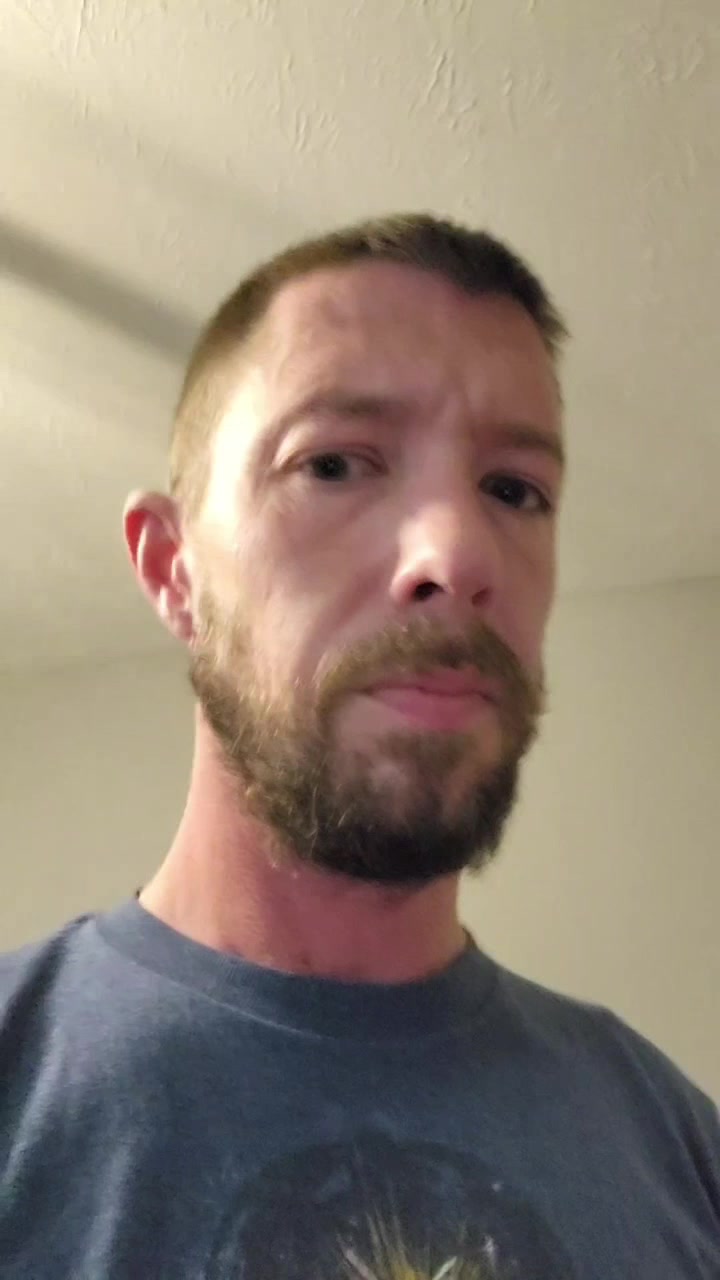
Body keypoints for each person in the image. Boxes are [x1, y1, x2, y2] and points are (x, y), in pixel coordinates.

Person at [0, 214, 718, 1279]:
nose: (457, 555)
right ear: (173, 569)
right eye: (334, 464)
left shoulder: (680, 1150)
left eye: (514, 489)